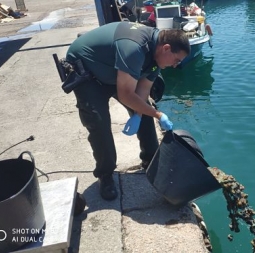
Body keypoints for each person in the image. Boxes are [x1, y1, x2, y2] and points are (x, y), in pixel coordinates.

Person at [65, 21, 190, 200]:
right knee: (99, 124)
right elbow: (125, 95)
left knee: (143, 110)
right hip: (88, 71)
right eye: (177, 60)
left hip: (114, 72)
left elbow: (142, 91)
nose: (176, 65)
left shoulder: (156, 56)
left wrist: (140, 114)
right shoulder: (134, 47)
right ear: (166, 48)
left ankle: (150, 160)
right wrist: (158, 114)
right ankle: (105, 174)